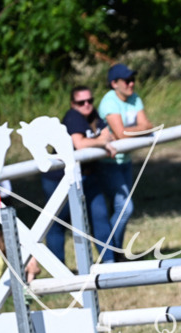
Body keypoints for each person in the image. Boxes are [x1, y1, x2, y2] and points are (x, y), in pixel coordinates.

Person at [40, 85, 118, 264]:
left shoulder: (93, 115)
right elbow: (80, 143)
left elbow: (108, 136)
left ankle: (110, 263)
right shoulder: (72, 117)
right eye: (81, 102)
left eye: (90, 100)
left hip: (87, 175)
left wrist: (101, 141)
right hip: (59, 179)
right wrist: (102, 142)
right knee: (58, 223)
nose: (87, 105)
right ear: (73, 104)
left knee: (100, 216)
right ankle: (59, 270)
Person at [97, 63, 153, 262]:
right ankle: (110, 254)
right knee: (125, 208)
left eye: (132, 80)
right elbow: (122, 134)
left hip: (125, 160)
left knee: (120, 209)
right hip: (108, 163)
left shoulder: (135, 98)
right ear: (114, 84)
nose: (131, 84)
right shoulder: (109, 102)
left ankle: (115, 254)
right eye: (126, 81)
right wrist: (137, 129)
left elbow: (148, 125)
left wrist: (130, 132)